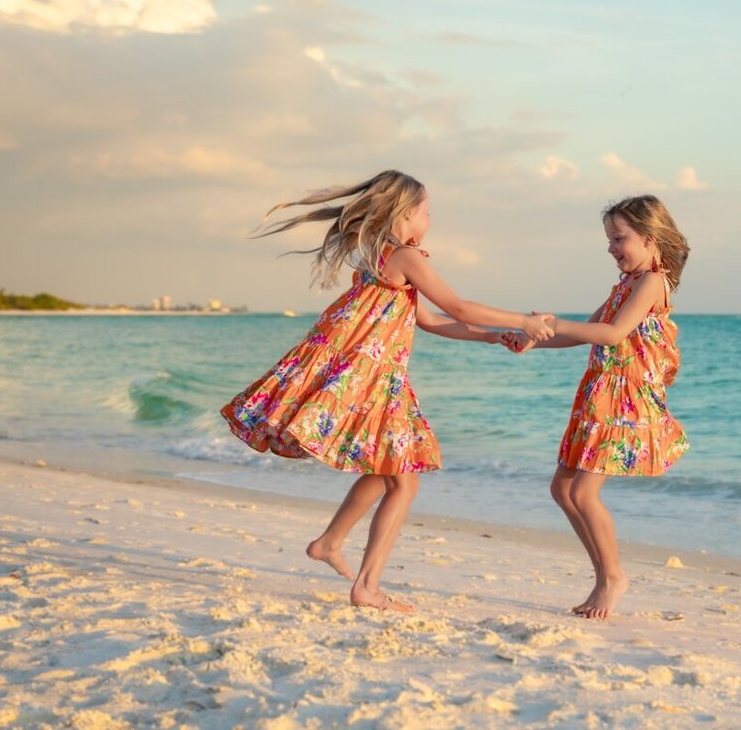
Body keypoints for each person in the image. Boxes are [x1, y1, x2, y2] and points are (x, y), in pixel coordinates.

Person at [222, 170, 555, 612]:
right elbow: (455, 305)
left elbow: (433, 321)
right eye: (428, 212)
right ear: (406, 215)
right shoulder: (404, 257)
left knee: (387, 473)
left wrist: (493, 335)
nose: (430, 220)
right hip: (371, 378)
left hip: (379, 378)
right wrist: (523, 321)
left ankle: (329, 543)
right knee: (403, 482)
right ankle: (366, 586)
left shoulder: (379, 255)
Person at [503, 195, 690, 619]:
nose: (611, 248)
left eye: (619, 238)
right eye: (609, 239)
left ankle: (612, 577)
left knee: (583, 492)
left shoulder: (652, 282)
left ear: (650, 237)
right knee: (561, 489)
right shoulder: (626, 284)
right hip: (600, 397)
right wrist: (537, 338)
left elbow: (612, 333)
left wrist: (550, 321)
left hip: (625, 401)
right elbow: (589, 331)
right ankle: (605, 573)